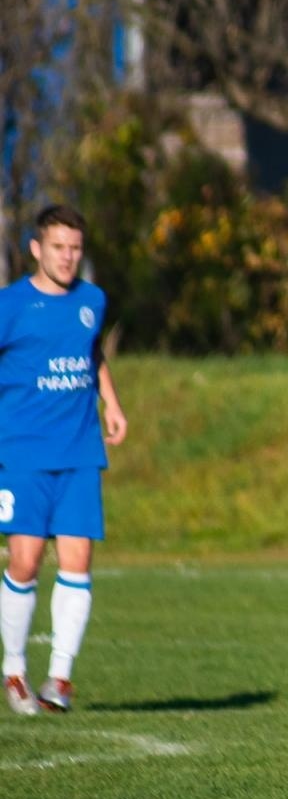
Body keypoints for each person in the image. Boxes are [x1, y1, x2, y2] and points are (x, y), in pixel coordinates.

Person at [0, 204, 128, 715]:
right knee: (25, 561)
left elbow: (92, 352)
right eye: (58, 247)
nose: (68, 257)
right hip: (23, 453)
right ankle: (13, 669)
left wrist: (111, 402)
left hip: (79, 451)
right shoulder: (9, 306)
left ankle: (60, 679)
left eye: (75, 248)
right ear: (37, 249)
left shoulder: (92, 301)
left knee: (77, 561)